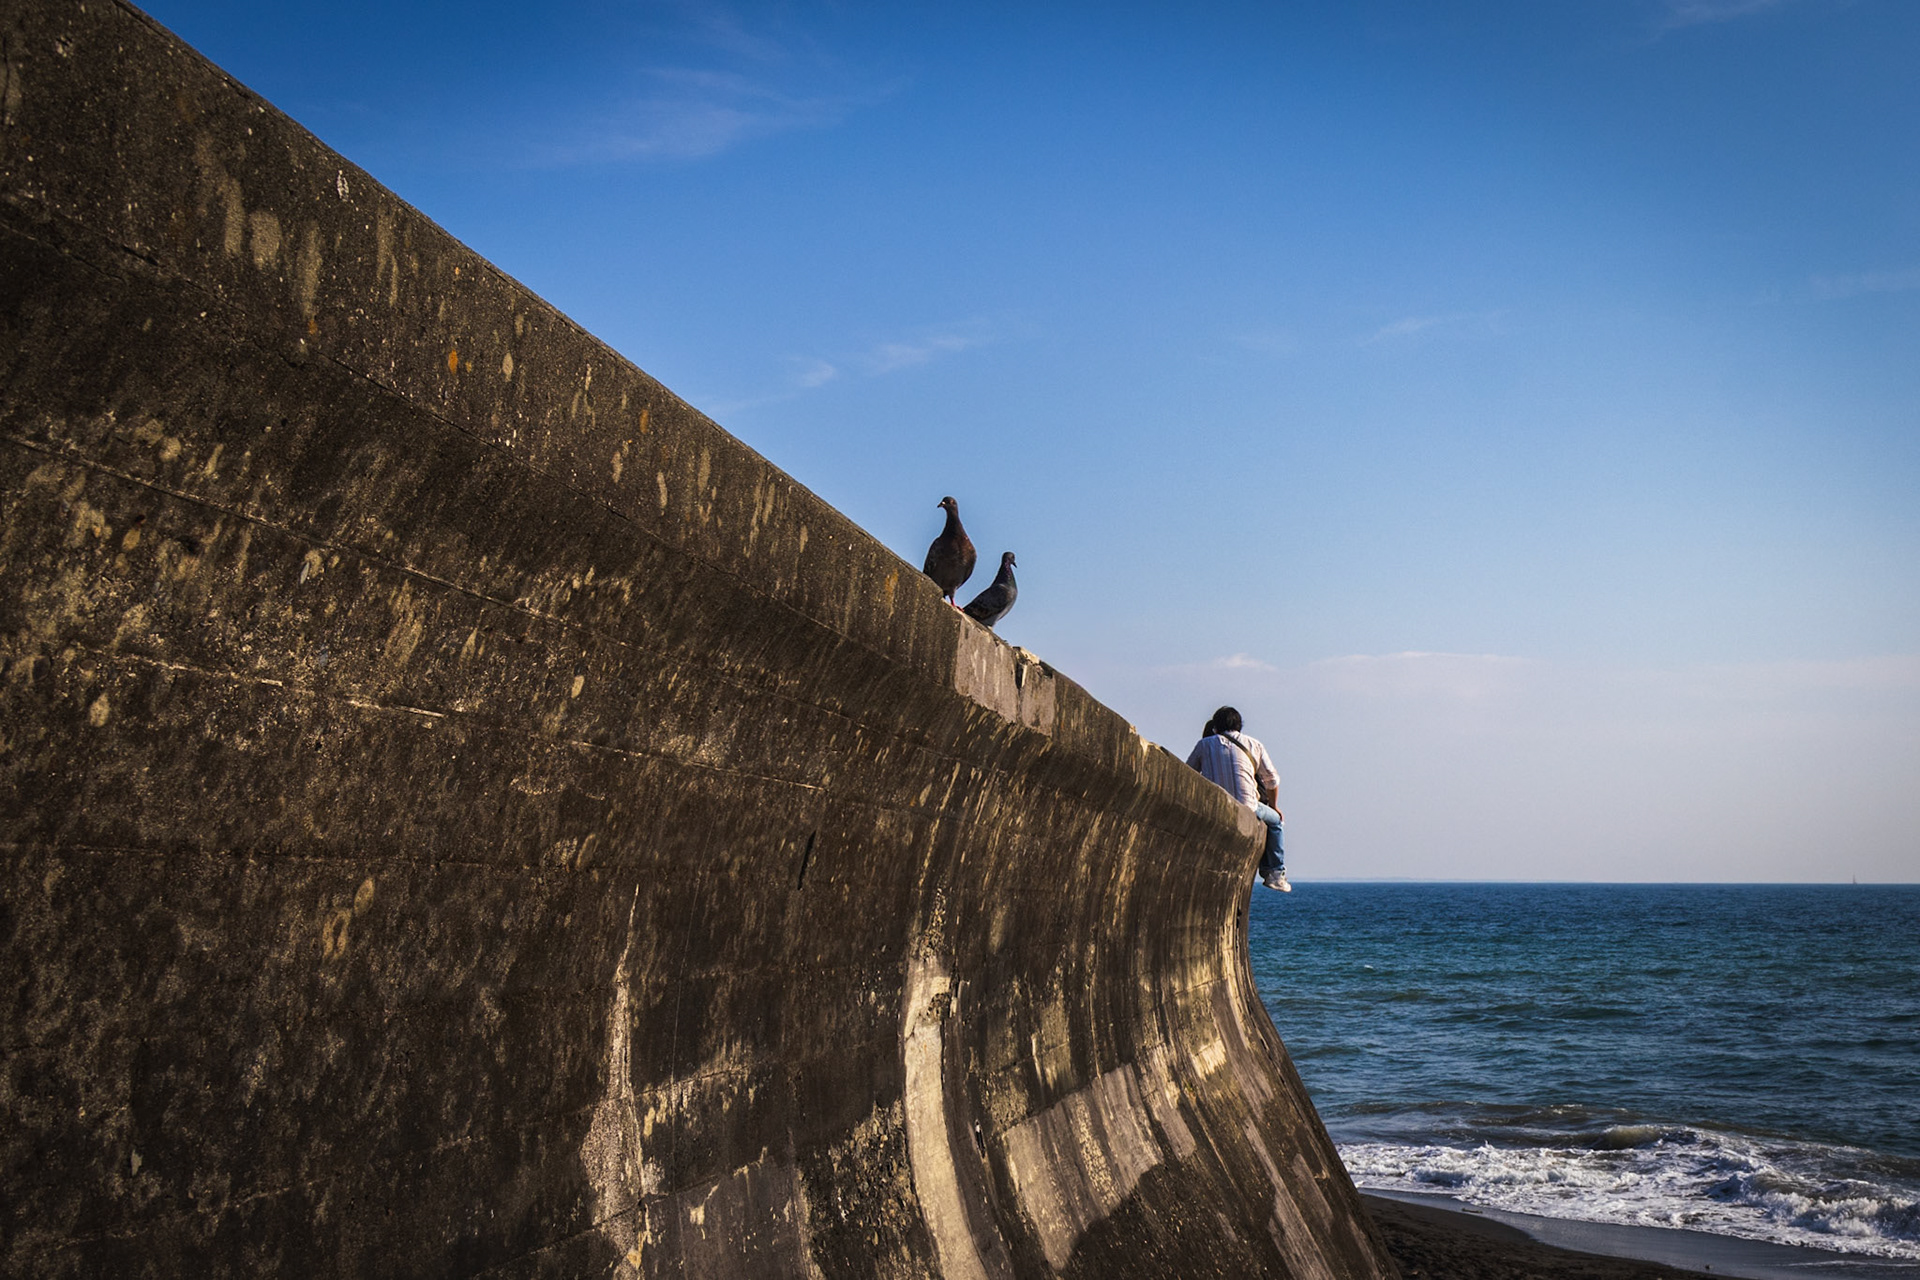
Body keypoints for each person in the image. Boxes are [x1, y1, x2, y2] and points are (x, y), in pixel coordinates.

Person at [1187, 706, 1289, 892]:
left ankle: (1274, 872)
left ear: (1215, 727)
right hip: (1247, 805)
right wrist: (1274, 806)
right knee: (1276, 823)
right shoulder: (1253, 744)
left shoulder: (1205, 744)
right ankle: (1274, 872)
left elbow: (1189, 772)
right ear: (1239, 725)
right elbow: (1272, 780)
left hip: (1216, 804)